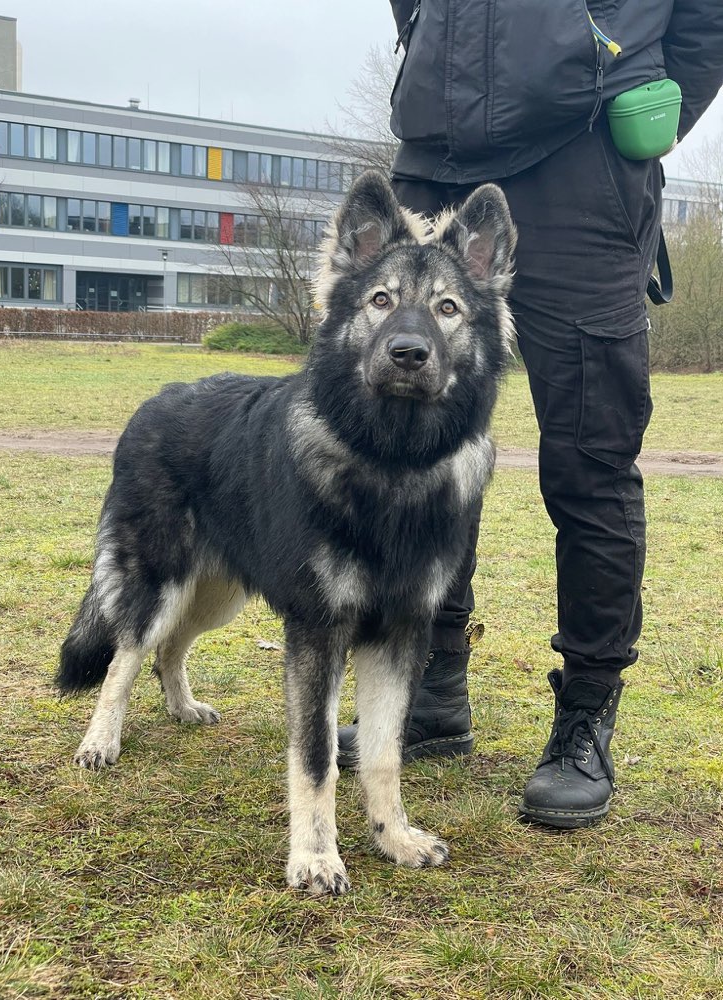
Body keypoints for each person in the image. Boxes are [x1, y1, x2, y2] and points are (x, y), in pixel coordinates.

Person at [338, 0, 723, 828]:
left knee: (590, 460)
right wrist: (424, 38)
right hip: (436, 154)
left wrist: (626, 87)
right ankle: (429, 685)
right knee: (415, 452)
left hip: (583, 159)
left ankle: (586, 713)